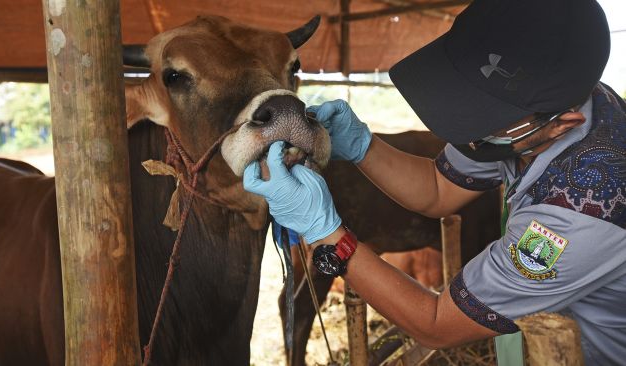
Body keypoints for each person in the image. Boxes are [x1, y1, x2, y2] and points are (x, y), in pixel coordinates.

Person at [243, 0, 626, 364]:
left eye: (488, 118)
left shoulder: (582, 209)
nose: (472, 132)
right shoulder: (554, 99)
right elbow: (438, 189)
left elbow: (437, 325)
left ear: (562, 123)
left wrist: (327, 234)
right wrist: (363, 146)